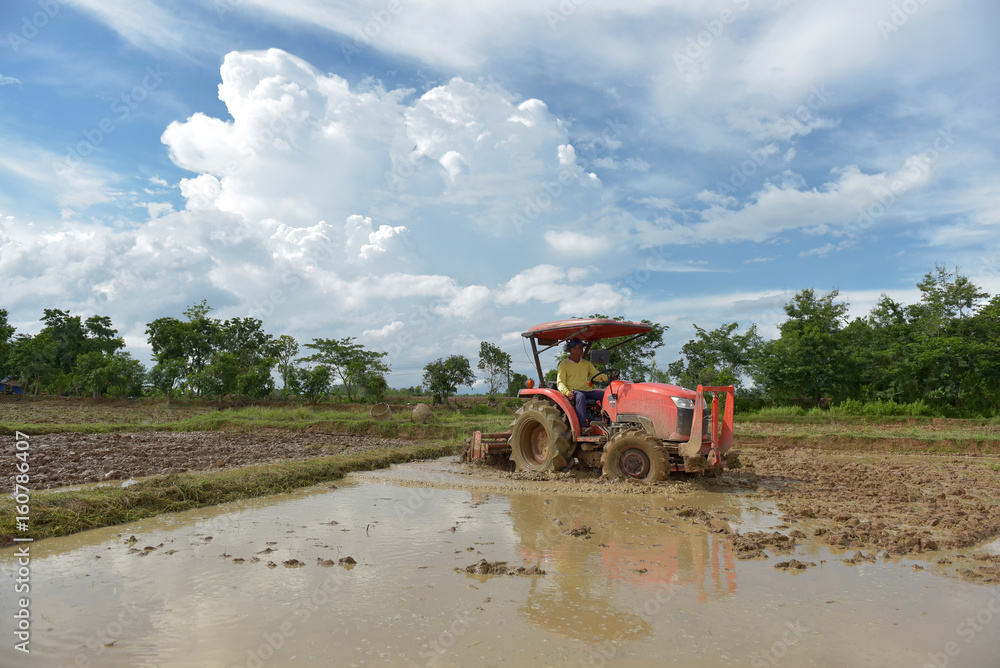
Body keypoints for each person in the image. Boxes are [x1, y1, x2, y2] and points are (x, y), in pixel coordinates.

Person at [556, 338, 605, 433]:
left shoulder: (586, 364)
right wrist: (567, 392)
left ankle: (609, 421)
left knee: (605, 395)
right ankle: (583, 427)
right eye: (579, 347)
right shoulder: (564, 364)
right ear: (572, 350)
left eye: (582, 348)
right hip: (574, 391)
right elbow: (560, 382)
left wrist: (609, 377)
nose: (582, 350)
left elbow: (596, 376)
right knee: (580, 396)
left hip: (587, 390)